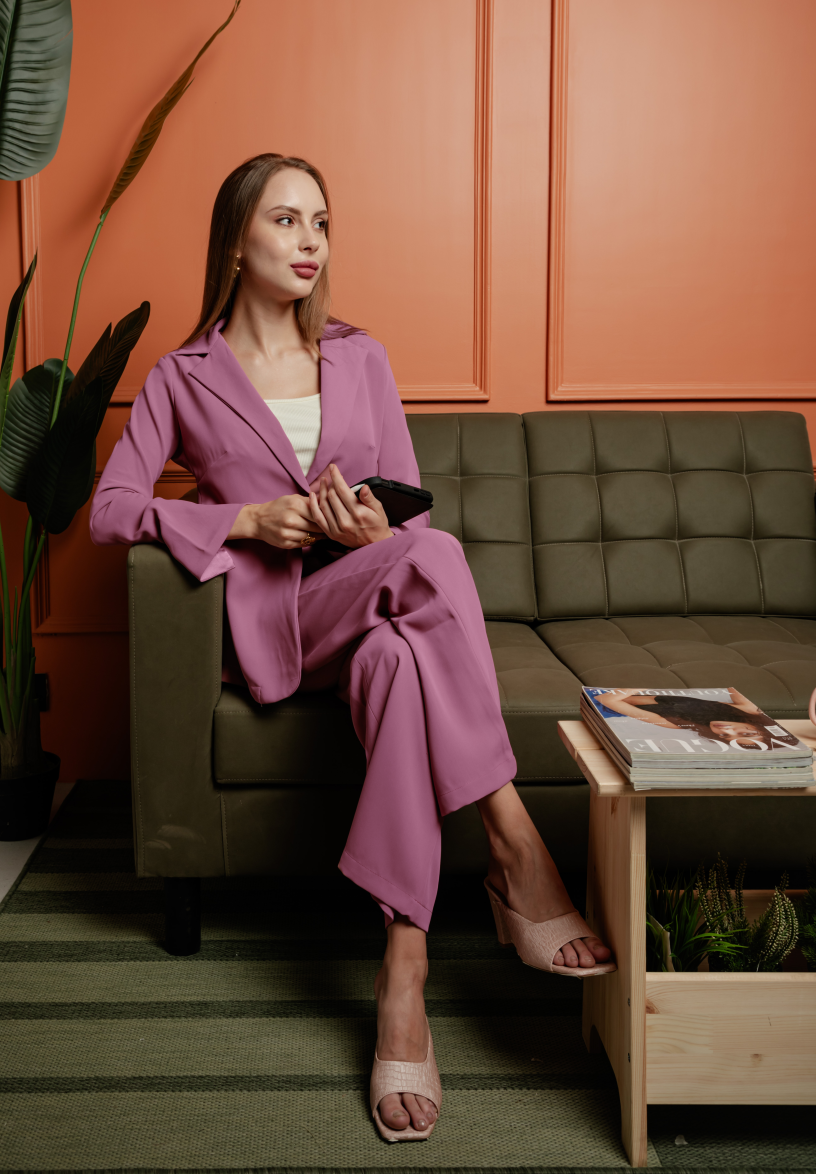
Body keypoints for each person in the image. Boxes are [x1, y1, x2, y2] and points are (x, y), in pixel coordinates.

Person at [91, 153, 614, 1142]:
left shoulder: (359, 355)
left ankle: (402, 972)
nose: (310, 241)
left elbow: (407, 514)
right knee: (436, 561)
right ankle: (511, 839)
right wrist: (244, 520)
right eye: (285, 219)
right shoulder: (181, 375)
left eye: (321, 222)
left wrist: (370, 527)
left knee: (401, 659)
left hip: (369, 606)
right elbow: (111, 509)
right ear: (234, 242)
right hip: (276, 621)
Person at [593, 688, 775, 750]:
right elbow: (731, 683)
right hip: (624, 692)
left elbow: (605, 700)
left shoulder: (675, 724)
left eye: (725, 736)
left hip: (604, 701)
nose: (726, 730)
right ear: (754, 725)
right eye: (746, 733)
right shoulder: (744, 710)